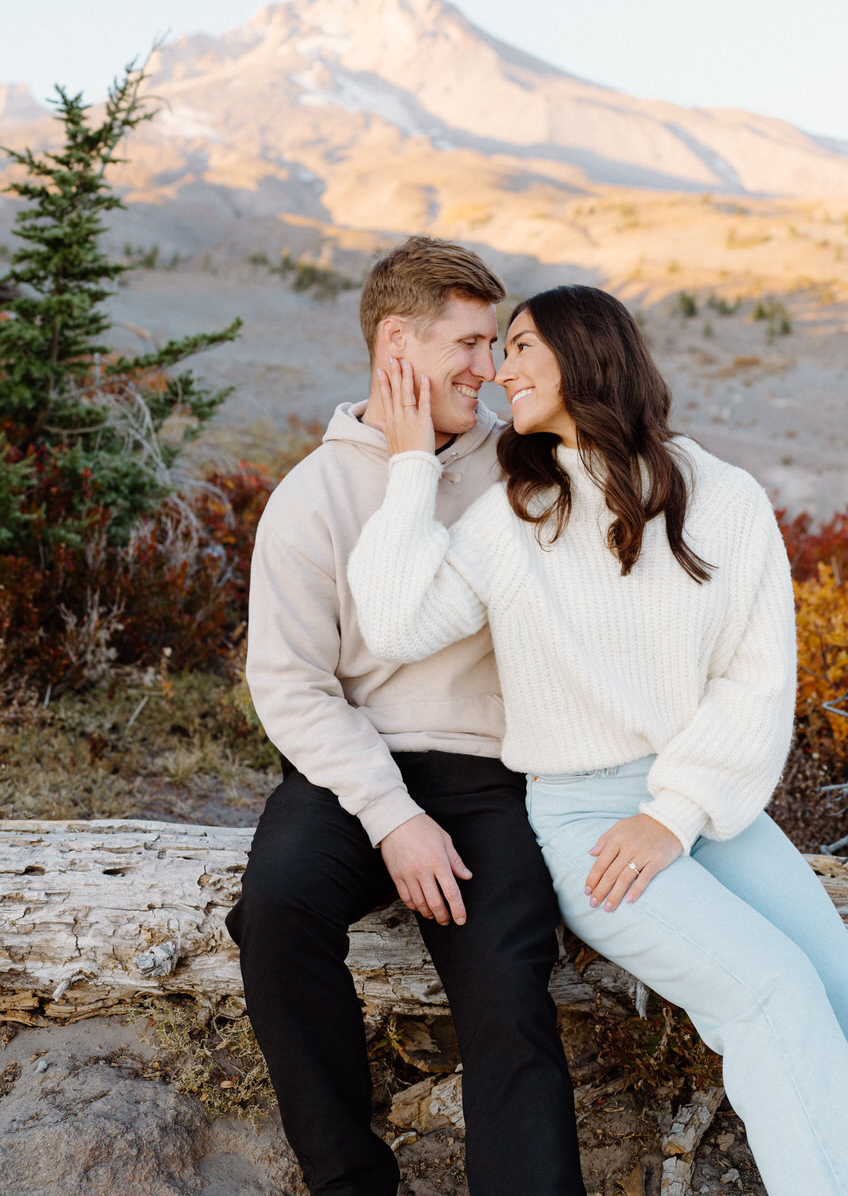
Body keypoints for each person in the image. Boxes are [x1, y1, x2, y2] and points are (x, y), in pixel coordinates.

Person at [348, 284, 848, 1196]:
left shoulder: (725, 497)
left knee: (834, 981)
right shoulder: (519, 514)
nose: (499, 372)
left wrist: (673, 815)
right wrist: (407, 468)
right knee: (768, 992)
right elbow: (393, 622)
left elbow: (756, 682)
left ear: (586, 358)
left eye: (520, 348)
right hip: (587, 820)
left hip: (703, 806)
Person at [226, 239, 586, 1196]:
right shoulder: (314, 494)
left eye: (495, 344)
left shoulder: (526, 476)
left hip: (492, 780)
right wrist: (392, 817)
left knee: (510, 999)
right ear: (397, 343)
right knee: (277, 911)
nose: (491, 370)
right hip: (351, 775)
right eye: (468, 343)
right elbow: (293, 686)